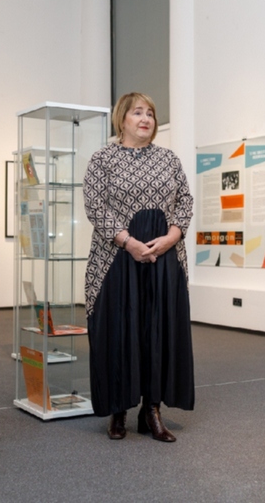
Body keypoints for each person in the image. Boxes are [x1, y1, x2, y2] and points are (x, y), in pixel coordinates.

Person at [83, 92, 194, 443]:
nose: (145, 119)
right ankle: (118, 410)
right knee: (118, 331)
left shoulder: (169, 159)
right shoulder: (103, 158)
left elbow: (185, 201)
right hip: (116, 259)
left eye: (150, 113)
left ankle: (152, 410)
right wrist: (128, 242)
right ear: (122, 119)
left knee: (157, 332)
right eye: (137, 113)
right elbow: (95, 204)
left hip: (164, 259)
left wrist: (172, 237)